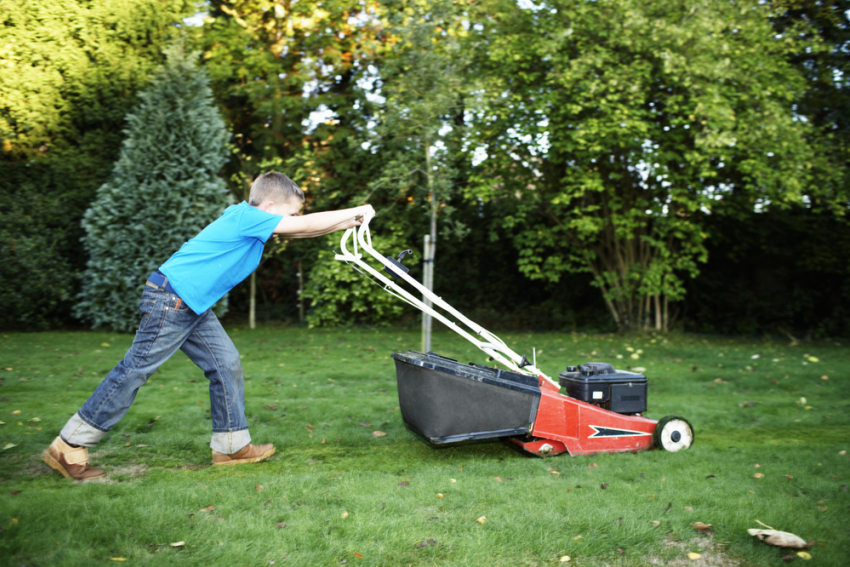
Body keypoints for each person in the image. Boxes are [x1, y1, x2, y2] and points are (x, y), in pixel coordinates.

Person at [42, 172, 374, 480]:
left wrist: (343, 224)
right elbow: (301, 227)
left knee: (225, 363)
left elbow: (304, 228)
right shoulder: (247, 217)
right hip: (172, 300)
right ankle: (68, 445)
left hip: (191, 304)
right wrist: (359, 208)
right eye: (288, 214)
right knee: (135, 370)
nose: (290, 221)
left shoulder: (250, 221)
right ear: (270, 207)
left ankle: (231, 447)